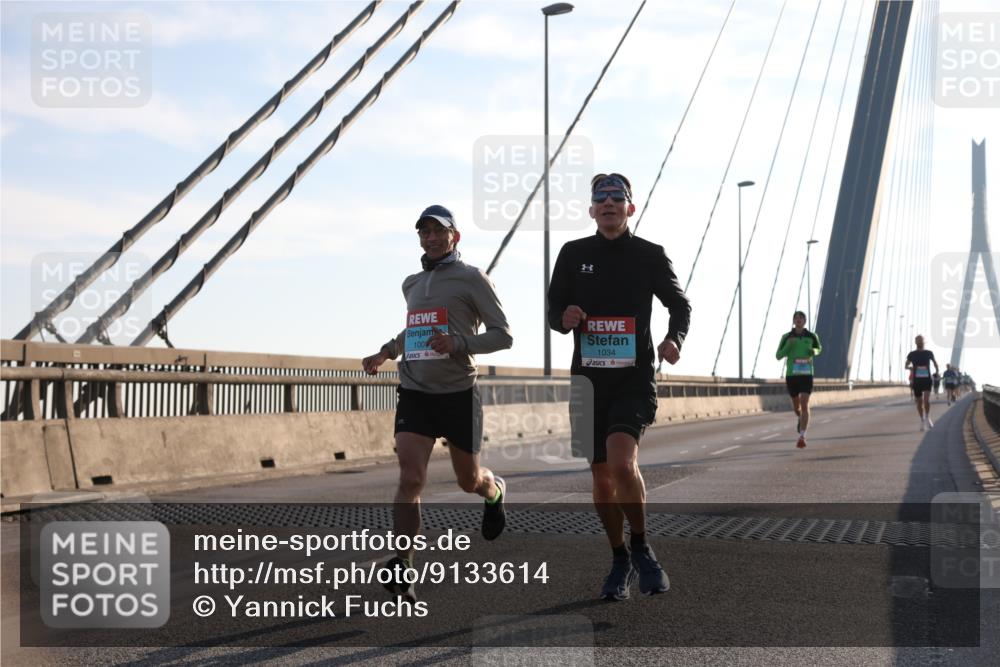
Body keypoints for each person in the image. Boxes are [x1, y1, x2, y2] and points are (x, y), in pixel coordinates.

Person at [547, 172, 691, 601]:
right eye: (600, 198)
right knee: (601, 477)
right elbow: (554, 310)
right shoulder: (573, 254)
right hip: (589, 383)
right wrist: (564, 318)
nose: (608, 203)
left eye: (617, 197)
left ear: (631, 208)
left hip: (634, 379)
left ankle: (643, 545)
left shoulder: (649, 255)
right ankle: (618, 557)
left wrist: (673, 339)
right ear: (591, 210)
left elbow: (679, 304)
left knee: (621, 463)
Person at [362, 204, 513, 603]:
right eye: (423, 232)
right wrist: (386, 351)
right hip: (415, 391)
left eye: (437, 231)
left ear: (454, 236)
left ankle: (494, 491)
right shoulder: (411, 283)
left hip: (459, 394)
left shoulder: (472, 278)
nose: (430, 238)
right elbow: (415, 328)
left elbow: (503, 336)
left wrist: (459, 343)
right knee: (411, 478)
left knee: (469, 481)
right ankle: (404, 565)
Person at [775, 311, 822, 449]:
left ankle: (802, 436)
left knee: (805, 403)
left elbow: (819, 348)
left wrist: (814, 352)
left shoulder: (812, 336)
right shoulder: (786, 337)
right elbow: (778, 355)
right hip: (792, 376)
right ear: (793, 321)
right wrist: (789, 346)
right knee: (797, 407)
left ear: (805, 321)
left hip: (806, 375)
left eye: (801, 318)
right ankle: (800, 418)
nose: (798, 319)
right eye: (796, 317)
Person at [904, 335, 939, 431]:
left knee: (926, 400)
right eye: (918, 341)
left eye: (921, 340)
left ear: (924, 342)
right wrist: (909, 367)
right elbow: (906, 365)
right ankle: (922, 419)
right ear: (915, 342)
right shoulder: (912, 354)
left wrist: (937, 371)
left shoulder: (929, 353)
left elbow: (935, 363)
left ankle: (928, 417)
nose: (920, 342)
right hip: (917, 380)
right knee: (919, 402)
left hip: (927, 379)